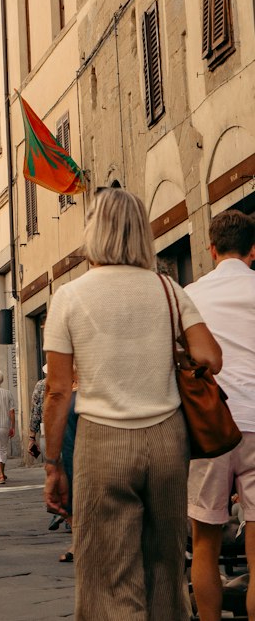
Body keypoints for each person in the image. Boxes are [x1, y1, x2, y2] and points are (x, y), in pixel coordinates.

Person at [42, 186, 222, 621]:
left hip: (102, 441)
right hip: (166, 439)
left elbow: (59, 391)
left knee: (107, 571)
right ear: (142, 233)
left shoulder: (69, 296)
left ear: (93, 232)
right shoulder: (168, 289)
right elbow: (210, 358)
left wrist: (53, 464)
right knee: (164, 563)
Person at [184, 209, 255, 621]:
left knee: (205, 544)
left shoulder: (191, 295)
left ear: (211, 249)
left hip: (211, 428)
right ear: (253, 250)